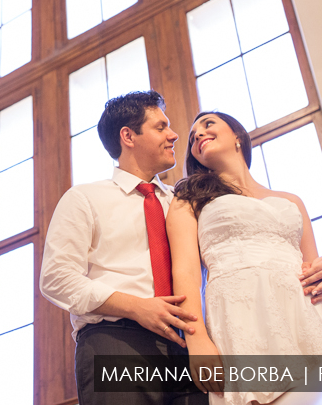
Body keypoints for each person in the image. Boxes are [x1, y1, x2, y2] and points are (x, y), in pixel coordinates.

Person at [166, 111, 322, 404]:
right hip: (242, 313)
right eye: (192, 137)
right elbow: (186, 271)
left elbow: (311, 265)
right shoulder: (188, 198)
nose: (198, 134)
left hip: (306, 312)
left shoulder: (291, 201)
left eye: (208, 124)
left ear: (238, 136)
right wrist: (197, 338)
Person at [40, 91, 208, 405]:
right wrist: (138, 307)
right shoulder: (85, 199)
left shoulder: (183, 202)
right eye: (161, 127)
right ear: (128, 135)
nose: (173, 135)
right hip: (116, 342)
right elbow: (56, 279)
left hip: (190, 346)